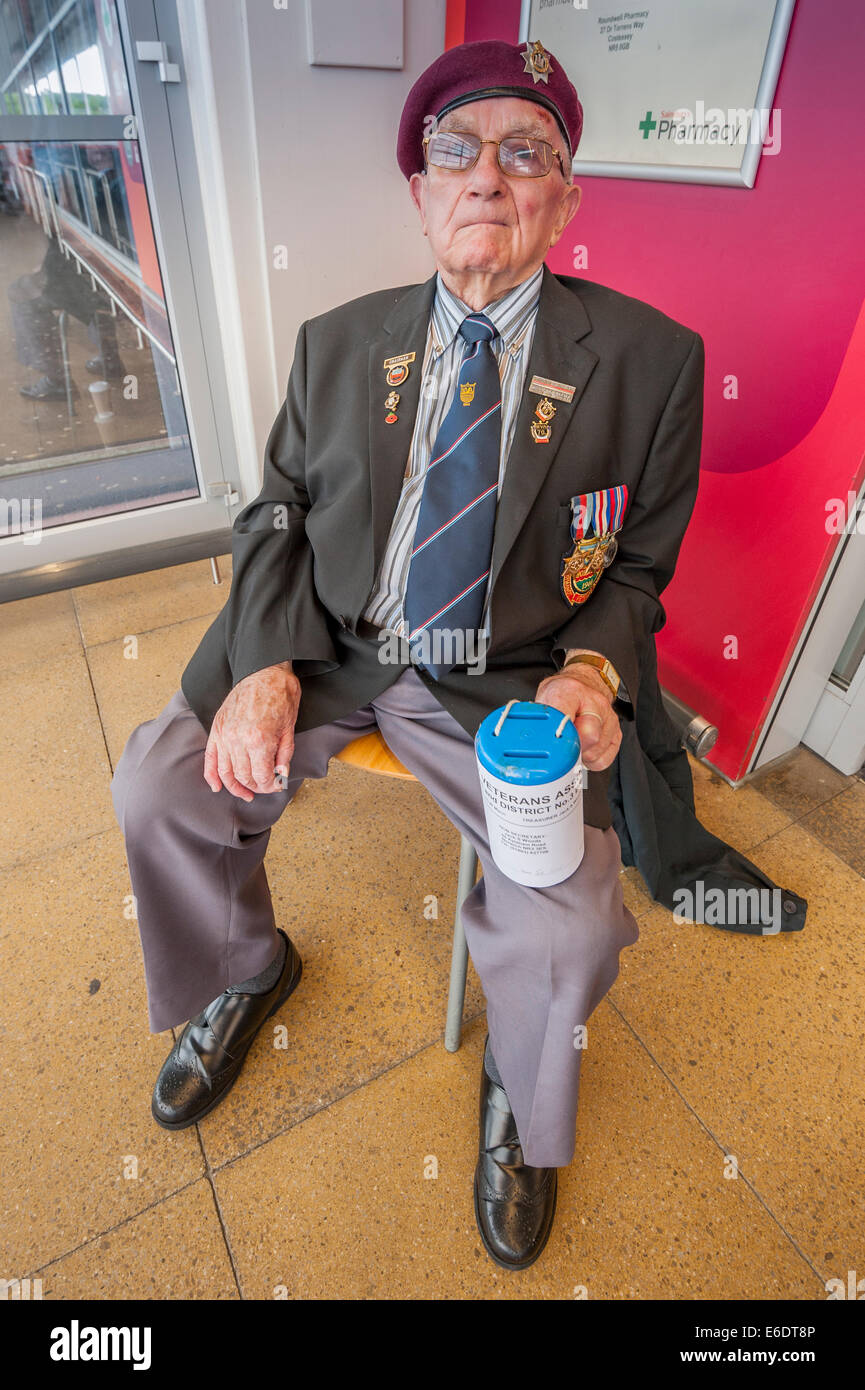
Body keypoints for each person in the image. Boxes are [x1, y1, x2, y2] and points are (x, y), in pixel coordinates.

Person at [111, 38, 705, 1271]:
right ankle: (246, 965)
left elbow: (637, 569)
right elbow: (274, 509)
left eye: (523, 152)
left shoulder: (651, 364)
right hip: (328, 640)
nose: (486, 175)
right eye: (455, 150)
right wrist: (267, 657)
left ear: (565, 197)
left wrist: (591, 671)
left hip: (507, 680)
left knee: (568, 926)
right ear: (420, 189)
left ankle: (516, 1085)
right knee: (160, 781)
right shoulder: (337, 341)